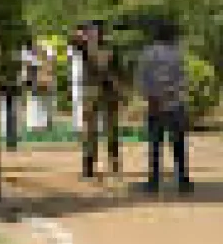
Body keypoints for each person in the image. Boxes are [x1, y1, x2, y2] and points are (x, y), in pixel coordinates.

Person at [137, 18, 193, 193]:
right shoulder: (177, 54)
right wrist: (172, 93)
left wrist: (150, 96)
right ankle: (182, 180)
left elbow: (142, 79)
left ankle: (153, 181)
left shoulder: (147, 53)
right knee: (178, 143)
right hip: (175, 103)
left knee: (155, 144)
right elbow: (182, 79)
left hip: (155, 103)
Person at [72, 21, 124, 180]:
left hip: (98, 91)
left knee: (101, 129)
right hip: (102, 91)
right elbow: (118, 71)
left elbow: (117, 70)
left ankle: (96, 166)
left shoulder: (89, 47)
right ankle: (104, 165)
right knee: (101, 129)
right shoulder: (90, 47)